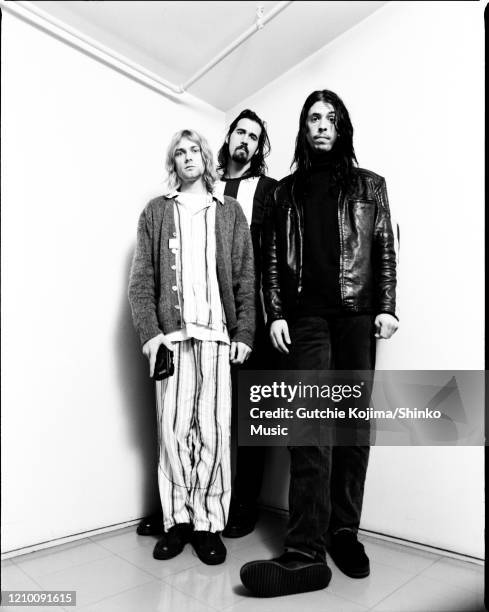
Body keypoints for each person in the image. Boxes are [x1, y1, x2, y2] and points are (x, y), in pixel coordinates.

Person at [240, 89, 399, 596]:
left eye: (331, 118)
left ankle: (344, 532)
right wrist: (275, 314)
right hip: (305, 321)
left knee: (352, 428)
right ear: (304, 128)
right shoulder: (285, 191)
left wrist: (388, 305)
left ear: (342, 126)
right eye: (314, 117)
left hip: (356, 318)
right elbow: (268, 259)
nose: (322, 124)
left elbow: (385, 249)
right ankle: (305, 548)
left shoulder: (372, 186)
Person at [136, 110, 278, 540]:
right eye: (179, 153)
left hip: (218, 337)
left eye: (194, 149)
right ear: (173, 165)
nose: (187, 157)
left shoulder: (231, 211)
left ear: (205, 156)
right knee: (174, 432)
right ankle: (176, 521)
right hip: (173, 340)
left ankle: (208, 526)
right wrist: (151, 335)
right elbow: (142, 280)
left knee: (215, 433)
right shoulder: (155, 212)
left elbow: (244, 277)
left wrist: (244, 334)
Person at [214, 109, 277, 538]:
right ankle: (200, 506)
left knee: (255, 416)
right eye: (241, 131)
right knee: (208, 414)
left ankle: (244, 506)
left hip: (257, 316)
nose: (246, 141)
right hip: (209, 319)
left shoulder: (270, 190)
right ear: (230, 136)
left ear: (258, 148)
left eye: (254, 137)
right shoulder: (205, 184)